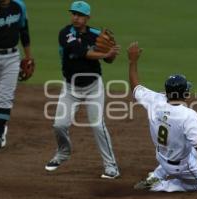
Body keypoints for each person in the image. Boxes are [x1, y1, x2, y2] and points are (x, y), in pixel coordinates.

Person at [127, 42, 197, 192]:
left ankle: (156, 175)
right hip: (179, 166)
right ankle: (159, 186)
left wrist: (133, 61)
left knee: (190, 145)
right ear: (184, 94)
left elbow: (135, 87)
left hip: (162, 156)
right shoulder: (189, 116)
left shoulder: (155, 100)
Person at [45, 1, 120, 179]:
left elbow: (108, 60)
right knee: (59, 125)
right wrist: (104, 54)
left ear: (87, 18)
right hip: (71, 88)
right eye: (73, 14)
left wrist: (111, 54)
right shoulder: (65, 34)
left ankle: (111, 167)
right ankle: (63, 153)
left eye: (79, 15)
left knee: (97, 125)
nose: (75, 18)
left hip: (93, 87)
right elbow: (82, 52)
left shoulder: (95, 34)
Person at [0, 0, 33, 150]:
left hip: (11, 57)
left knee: (5, 96)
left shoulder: (19, 6)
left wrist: (28, 57)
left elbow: (24, 31)